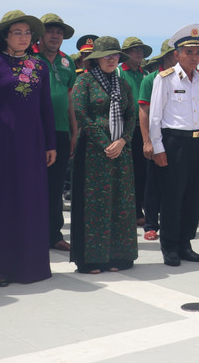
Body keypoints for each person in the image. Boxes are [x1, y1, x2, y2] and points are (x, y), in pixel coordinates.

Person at [0, 10, 56, 286]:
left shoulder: (40, 66)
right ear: (4, 36)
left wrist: (50, 143)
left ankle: (30, 267)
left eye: (27, 32)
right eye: (17, 32)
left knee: (31, 202)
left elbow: (46, 108)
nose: (23, 37)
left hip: (33, 146)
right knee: (3, 204)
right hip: (1, 144)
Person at [70, 37, 137, 274]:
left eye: (115, 55)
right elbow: (81, 114)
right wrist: (104, 142)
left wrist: (122, 141)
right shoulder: (84, 81)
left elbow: (131, 115)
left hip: (121, 150)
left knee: (120, 202)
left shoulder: (122, 83)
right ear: (96, 59)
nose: (112, 59)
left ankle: (119, 256)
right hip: (93, 151)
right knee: (94, 205)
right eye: (107, 55)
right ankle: (92, 260)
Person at [149, 24, 199, 267]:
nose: (194, 57)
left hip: (196, 142)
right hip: (174, 142)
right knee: (173, 197)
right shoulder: (164, 79)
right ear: (177, 54)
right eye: (189, 52)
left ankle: (186, 243)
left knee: (192, 197)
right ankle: (170, 245)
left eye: (198, 53)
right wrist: (158, 148)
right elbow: (155, 116)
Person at [34, 13, 78, 253]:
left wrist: (74, 131)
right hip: (34, 131)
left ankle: (54, 235)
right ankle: (32, 232)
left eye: (59, 32)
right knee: (33, 183)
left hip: (61, 131)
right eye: (50, 30)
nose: (55, 36)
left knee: (56, 185)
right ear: (41, 34)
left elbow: (69, 98)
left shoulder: (67, 62)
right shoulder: (29, 58)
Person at [138, 40, 174, 241]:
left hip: (177, 138)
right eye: (170, 55)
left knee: (174, 184)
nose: (174, 59)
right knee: (153, 183)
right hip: (156, 135)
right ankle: (151, 224)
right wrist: (147, 141)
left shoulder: (185, 79)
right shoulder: (151, 79)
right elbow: (144, 111)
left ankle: (172, 224)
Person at [118, 36, 152, 226]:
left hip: (143, 129)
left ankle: (138, 210)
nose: (139, 53)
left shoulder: (145, 74)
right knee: (125, 173)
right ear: (126, 53)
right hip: (124, 129)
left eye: (141, 50)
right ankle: (124, 210)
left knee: (142, 173)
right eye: (134, 50)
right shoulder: (118, 72)